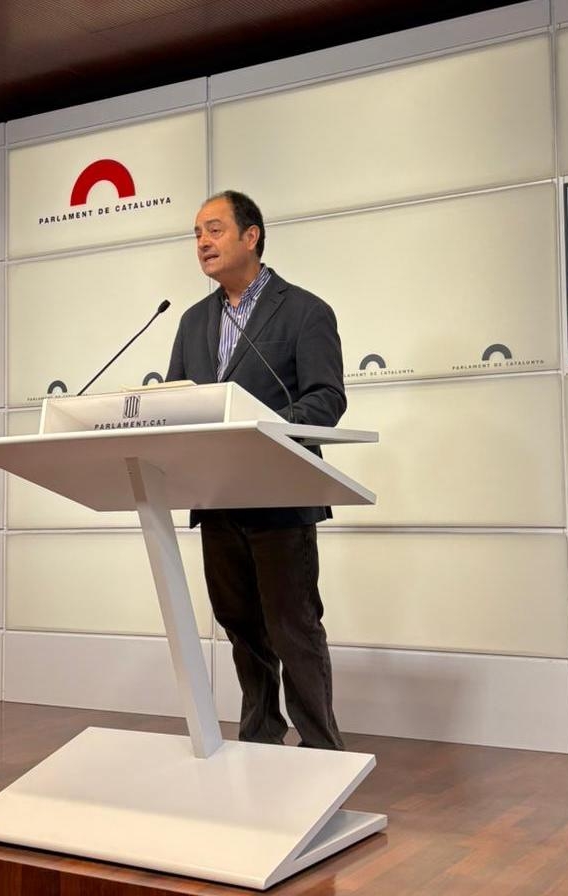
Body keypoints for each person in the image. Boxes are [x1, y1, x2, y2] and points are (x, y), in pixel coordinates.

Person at [166, 190, 347, 750]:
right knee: (242, 630)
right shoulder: (194, 322)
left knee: (293, 630)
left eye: (214, 230)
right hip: (217, 497)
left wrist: (259, 425)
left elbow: (326, 399)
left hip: (280, 494)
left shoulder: (304, 311)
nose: (203, 243)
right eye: (197, 234)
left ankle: (322, 753)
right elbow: (177, 400)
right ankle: (260, 742)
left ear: (252, 235)